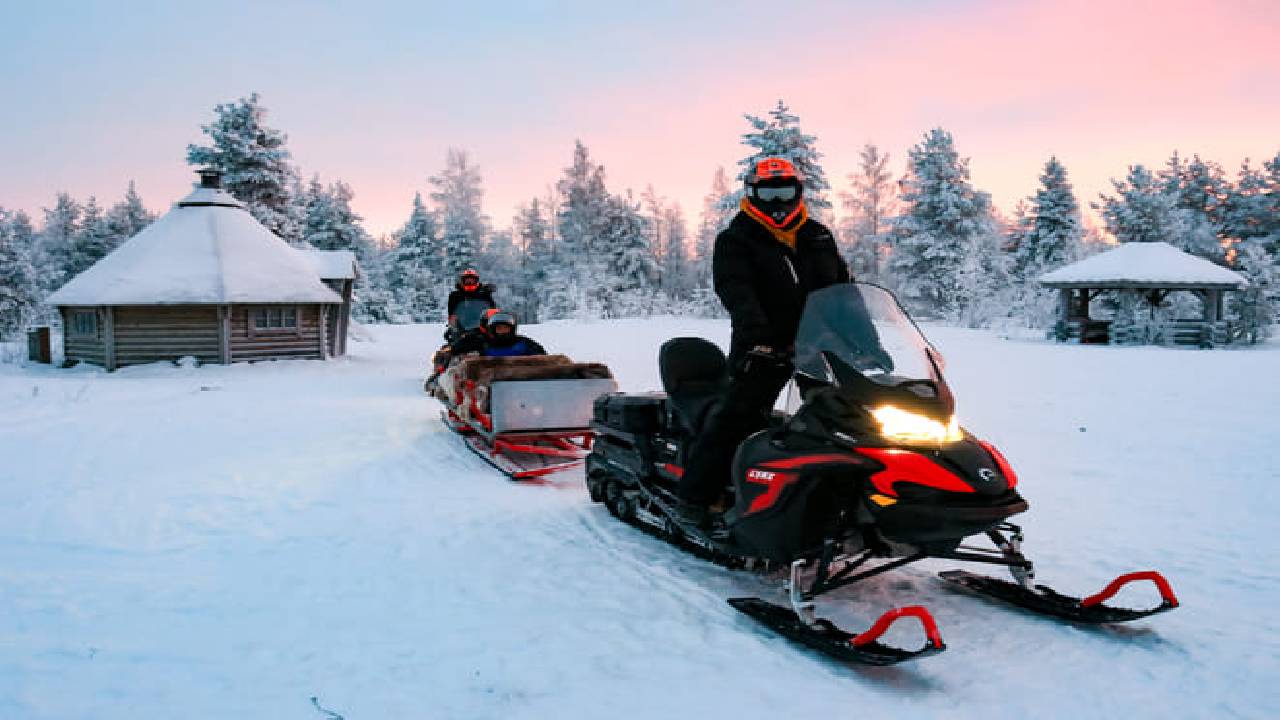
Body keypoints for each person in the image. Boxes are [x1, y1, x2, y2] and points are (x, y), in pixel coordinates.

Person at [676, 157, 850, 526]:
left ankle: (850, 493)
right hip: (763, 347)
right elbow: (736, 290)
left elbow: (843, 289)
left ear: (799, 193)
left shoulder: (817, 235)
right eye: (768, 193)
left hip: (818, 345)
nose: (777, 202)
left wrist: (865, 339)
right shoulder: (737, 238)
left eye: (785, 192)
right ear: (752, 193)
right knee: (737, 417)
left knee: (847, 415)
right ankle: (695, 498)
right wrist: (761, 337)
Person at [445, 268, 496, 342]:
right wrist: (452, 327)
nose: (470, 282)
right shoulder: (455, 296)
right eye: (467, 281)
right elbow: (452, 313)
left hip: (482, 328)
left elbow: (492, 310)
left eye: (472, 280)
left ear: (477, 281)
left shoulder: (484, 294)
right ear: (463, 281)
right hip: (462, 328)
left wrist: (488, 291)